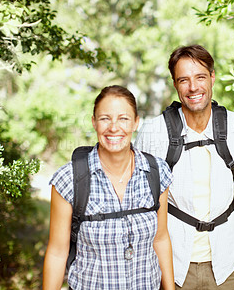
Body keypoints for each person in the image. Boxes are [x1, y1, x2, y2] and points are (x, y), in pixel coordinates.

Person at [135, 45, 234, 289]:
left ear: (212, 77)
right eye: (184, 80)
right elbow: (137, 202)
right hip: (170, 263)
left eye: (200, 77)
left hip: (223, 263)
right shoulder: (153, 132)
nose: (193, 87)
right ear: (175, 84)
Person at [43, 85, 175, 290]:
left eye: (123, 118)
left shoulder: (157, 172)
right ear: (94, 122)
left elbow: (161, 238)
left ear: (136, 123)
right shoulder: (69, 179)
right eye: (105, 118)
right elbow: (57, 252)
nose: (114, 127)